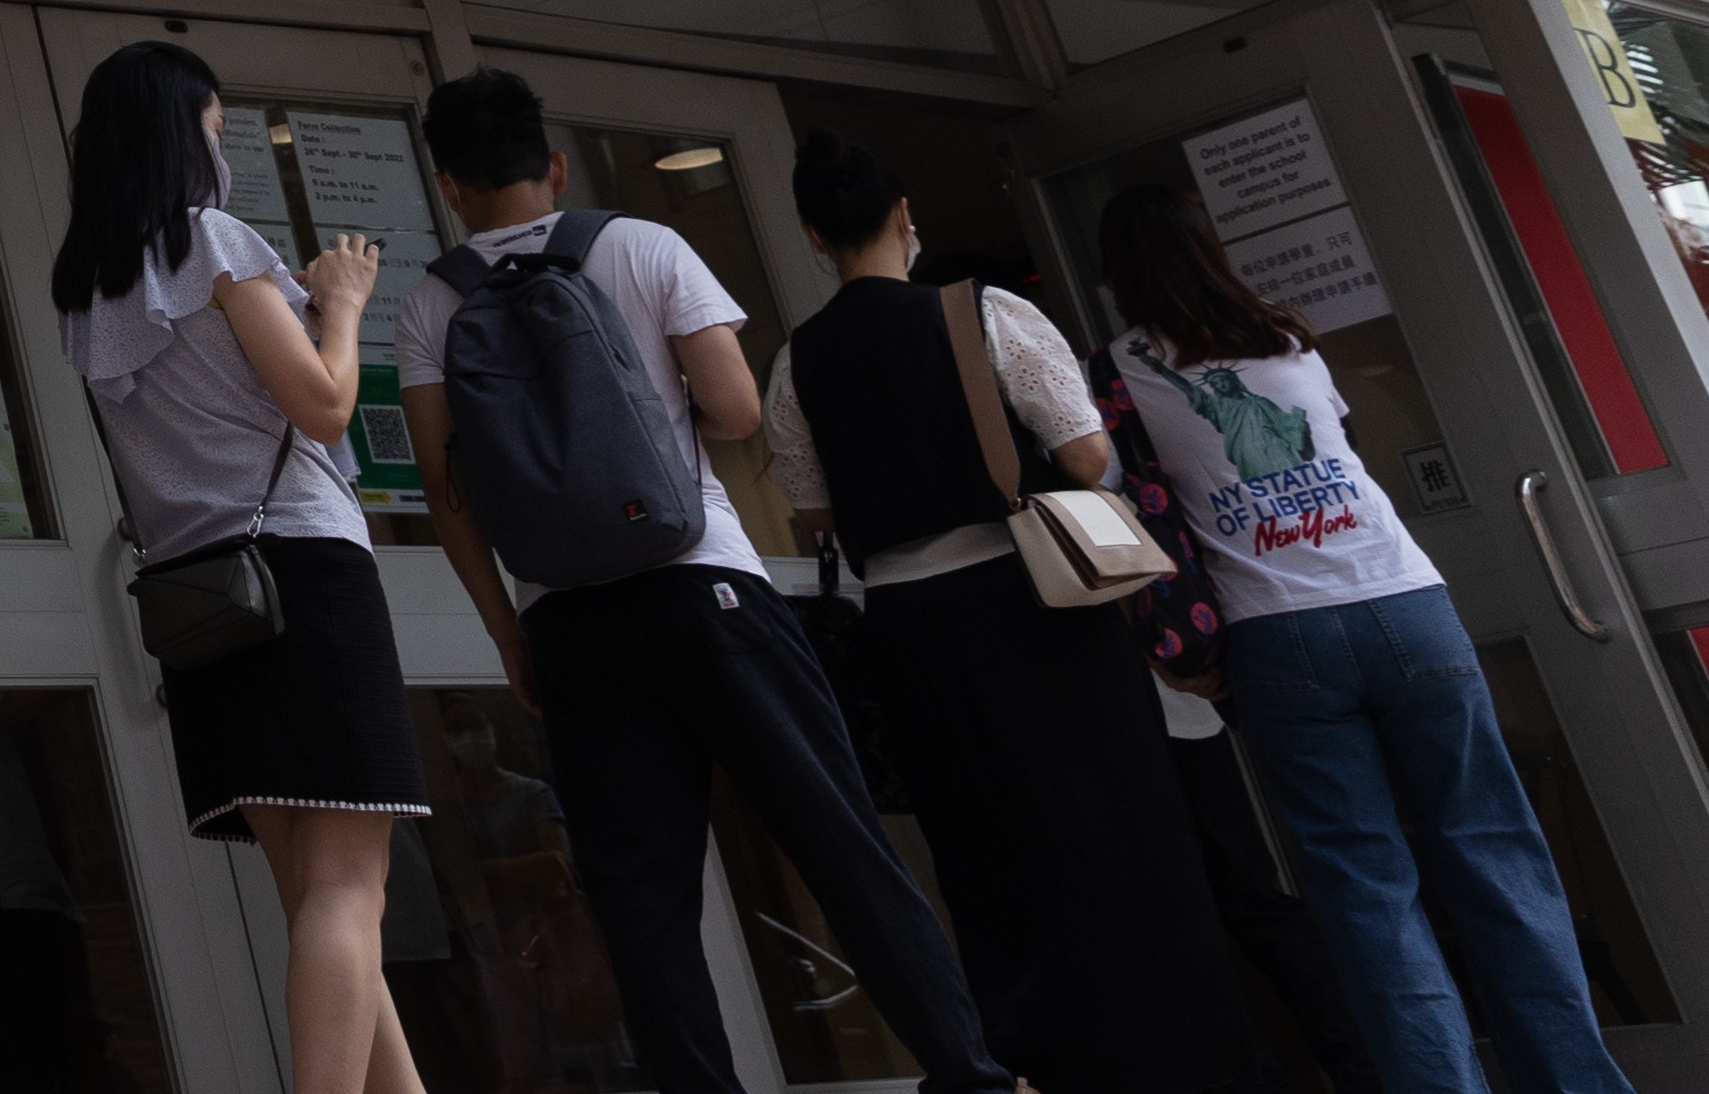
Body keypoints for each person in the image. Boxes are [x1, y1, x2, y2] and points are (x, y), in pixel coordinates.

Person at [398, 70, 1005, 1094]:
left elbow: (445, 490)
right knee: (839, 844)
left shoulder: (432, 303)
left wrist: (509, 630)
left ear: (448, 183)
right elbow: (735, 413)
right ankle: (970, 1075)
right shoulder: (640, 244)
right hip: (703, 589)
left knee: (640, 901)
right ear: (552, 165)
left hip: (571, 625)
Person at [1095, 180, 1635, 1094]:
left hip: (1279, 638)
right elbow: (1333, 438)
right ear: (1211, 247)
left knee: (1366, 891)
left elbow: (1110, 486)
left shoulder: (1119, 370)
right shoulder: (1285, 335)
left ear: (1116, 274)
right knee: (1496, 855)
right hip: (1407, 605)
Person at [766, 135, 1257, 1094]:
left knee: (984, 857)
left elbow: (815, 510)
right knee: (1121, 839)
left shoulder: (797, 361)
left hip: (911, 631)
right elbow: (1081, 458)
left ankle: (1035, 1067)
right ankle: (1187, 1062)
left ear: (813, 233)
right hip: (1035, 603)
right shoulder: (985, 313)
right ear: (906, 214)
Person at [49, 40, 426, 1094]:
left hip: (205, 605)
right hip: (301, 572)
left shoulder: (88, 285)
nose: (222, 153)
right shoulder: (213, 240)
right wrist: (341, 302)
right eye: (216, 131)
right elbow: (324, 404)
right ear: (183, 133)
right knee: (351, 889)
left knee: (316, 895)